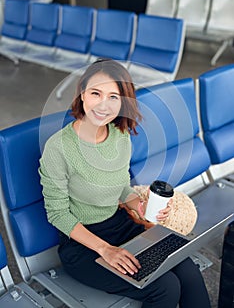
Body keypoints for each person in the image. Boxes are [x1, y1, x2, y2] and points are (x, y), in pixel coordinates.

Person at [39, 59, 211, 308]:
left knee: (187, 269)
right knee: (164, 288)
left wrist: (139, 205)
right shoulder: (58, 148)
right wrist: (106, 249)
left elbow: (122, 187)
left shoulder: (119, 136)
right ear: (82, 94)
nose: (103, 105)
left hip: (121, 226)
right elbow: (57, 215)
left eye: (113, 97)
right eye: (96, 93)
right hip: (82, 244)